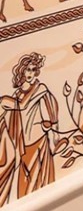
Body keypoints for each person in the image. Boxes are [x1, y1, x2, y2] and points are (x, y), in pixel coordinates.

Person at [5, 53, 59, 198]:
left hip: (38, 140)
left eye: (34, 70)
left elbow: (51, 110)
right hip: (23, 143)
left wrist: (47, 127)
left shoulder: (40, 88)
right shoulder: (18, 93)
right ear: (22, 70)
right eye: (28, 69)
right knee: (25, 180)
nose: (31, 73)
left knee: (40, 180)